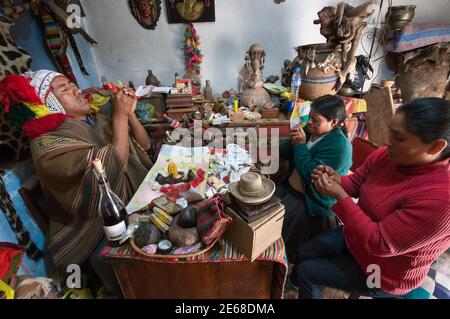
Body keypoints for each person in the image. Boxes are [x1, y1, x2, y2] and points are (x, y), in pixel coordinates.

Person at [0, 70, 153, 298]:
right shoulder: (47, 145)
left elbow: (145, 145)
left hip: (131, 198)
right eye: (65, 89)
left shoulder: (95, 120)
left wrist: (129, 115)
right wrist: (119, 118)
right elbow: (108, 174)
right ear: (49, 103)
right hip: (91, 226)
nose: (77, 90)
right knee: (115, 262)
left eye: (73, 84)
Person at [292, 98, 450, 299]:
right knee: (305, 252)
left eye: (399, 137)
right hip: (356, 240)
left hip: (383, 273)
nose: (387, 141)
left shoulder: (441, 201)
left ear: (435, 147)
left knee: (308, 271)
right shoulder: (387, 155)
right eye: (390, 131)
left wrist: (339, 196)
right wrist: (337, 178)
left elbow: (379, 243)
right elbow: (356, 184)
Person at [277, 95, 352, 262]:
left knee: (286, 242)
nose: (309, 122)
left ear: (333, 122)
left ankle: (285, 270)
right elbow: (291, 150)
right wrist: (288, 143)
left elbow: (310, 174)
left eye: (315, 120)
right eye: (310, 116)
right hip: (291, 191)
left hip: (310, 202)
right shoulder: (313, 131)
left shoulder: (340, 147)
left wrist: (300, 145)